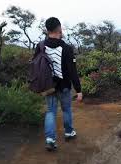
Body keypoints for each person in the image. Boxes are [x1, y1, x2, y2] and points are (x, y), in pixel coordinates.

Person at [34, 17, 82, 151]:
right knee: (66, 109)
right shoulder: (66, 47)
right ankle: (69, 133)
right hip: (64, 85)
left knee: (50, 112)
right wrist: (78, 90)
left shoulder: (41, 45)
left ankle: (50, 139)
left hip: (48, 86)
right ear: (59, 28)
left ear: (47, 29)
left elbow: (36, 65)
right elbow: (72, 71)